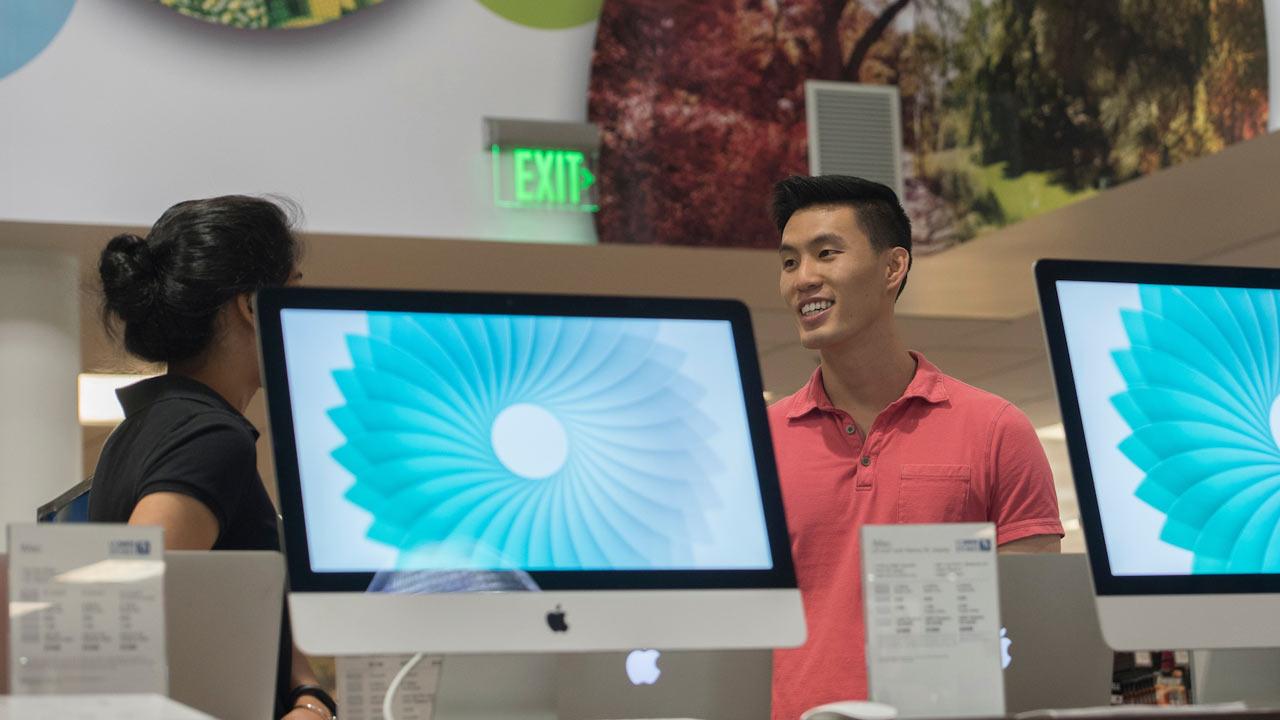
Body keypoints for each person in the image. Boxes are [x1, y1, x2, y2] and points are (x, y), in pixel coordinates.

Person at [768, 175, 1064, 720]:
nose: (803, 278)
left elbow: (1035, 628)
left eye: (826, 254)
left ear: (892, 267)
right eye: (789, 263)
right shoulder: (759, 442)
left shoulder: (998, 429)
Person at [88, 196, 337, 720]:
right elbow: (123, 613)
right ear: (250, 306)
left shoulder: (149, 428)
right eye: (294, 288)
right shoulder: (210, 438)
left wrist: (307, 695)